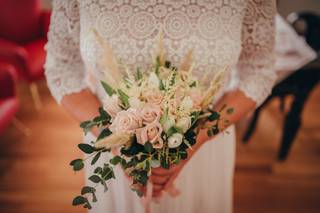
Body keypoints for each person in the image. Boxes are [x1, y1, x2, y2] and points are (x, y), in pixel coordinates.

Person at [45, 1, 276, 212]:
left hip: (205, 149)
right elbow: (62, 68)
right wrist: (117, 143)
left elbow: (258, 71)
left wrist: (194, 142)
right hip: (112, 154)